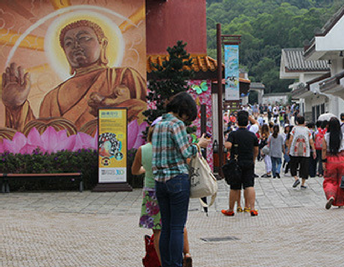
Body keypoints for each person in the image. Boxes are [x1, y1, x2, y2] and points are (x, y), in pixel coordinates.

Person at [2, 19, 147, 133]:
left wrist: (114, 108)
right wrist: (16, 107)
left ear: (102, 44)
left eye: (84, 38)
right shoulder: (51, 98)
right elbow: (38, 141)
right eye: (69, 43)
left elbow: (144, 120)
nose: (76, 45)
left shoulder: (123, 77)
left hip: (109, 157)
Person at [152, 92, 210, 267]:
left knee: (166, 226)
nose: (187, 120)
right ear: (183, 110)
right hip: (177, 179)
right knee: (177, 226)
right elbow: (186, 152)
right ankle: (176, 264)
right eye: (188, 116)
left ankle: (167, 264)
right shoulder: (176, 124)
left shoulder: (159, 124)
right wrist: (198, 145)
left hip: (159, 181)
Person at [132, 120, 193, 267]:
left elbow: (134, 171)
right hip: (174, 187)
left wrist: (144, 170)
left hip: (152, 191)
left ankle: (162, 262)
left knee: (158, 230)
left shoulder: (143, 150)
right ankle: (186, 253)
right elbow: (188, 163)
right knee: (178, 225)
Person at [221, 110, 259, 216]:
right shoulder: (252, 135)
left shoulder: (233, 134)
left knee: (235, 187)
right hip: (249, 162)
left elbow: (228, 146)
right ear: (247, 122)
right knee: (249, 185)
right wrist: (253, 159)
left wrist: (227, 143)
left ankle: (230, 209)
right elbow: (256, 150)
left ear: (237, 122)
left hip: (236, 163)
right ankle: (252, 208)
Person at [322, 116, 344, 209]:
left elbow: (323, 150)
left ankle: (331, 196)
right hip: (342, 160)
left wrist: (323, 162)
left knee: (329, 180)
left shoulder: (326, 137)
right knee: (341, 181)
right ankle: (340, 202)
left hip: (330, 160)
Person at [287, 116, 316, 189]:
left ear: (297, 122)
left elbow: (290, 139)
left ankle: (296, 178)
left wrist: (289, 148)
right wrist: (314, 150)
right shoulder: (307, 130)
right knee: (304, 167)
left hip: (294, 151)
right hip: (305, 152)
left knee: (293, 165)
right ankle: (303, 184)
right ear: (304, 122)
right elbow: (311, 141)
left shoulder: (294, 129)